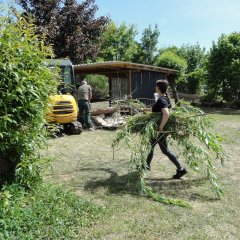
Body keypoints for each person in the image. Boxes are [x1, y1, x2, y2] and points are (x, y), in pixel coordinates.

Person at [145, 79, 187, 179]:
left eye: (156, 86)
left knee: (159, 149)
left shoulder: (162, 100)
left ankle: (180, 169)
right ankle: (146, 166)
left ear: (158, 88)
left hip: (159, 131)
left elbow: (166, 113)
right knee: (160, 149)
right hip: (159, 131)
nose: (155, 87)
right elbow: (156, 109)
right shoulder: (164, 98)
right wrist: (144, 109)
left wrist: (161, 127)